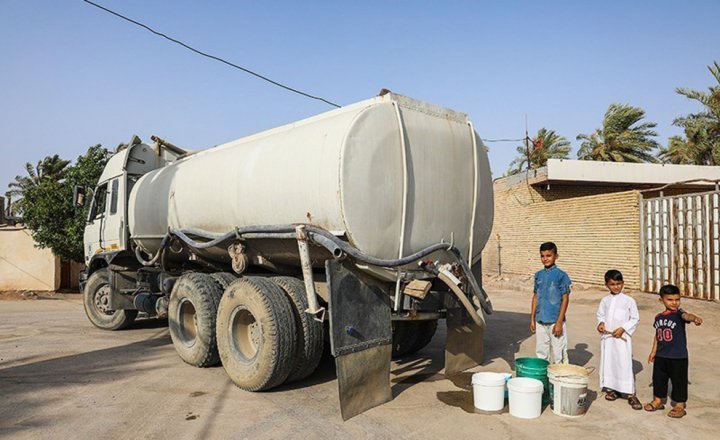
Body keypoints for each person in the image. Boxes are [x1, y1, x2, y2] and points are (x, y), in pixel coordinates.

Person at [644, 284, 703, 419]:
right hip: (661, 356)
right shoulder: (658, 317)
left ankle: (679, 405)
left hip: (678, 356)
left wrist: (694, 318)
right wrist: (653, 351)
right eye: (670, 299)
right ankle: (658, 401)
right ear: (661, 300)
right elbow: (657, 335)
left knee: (679, 381)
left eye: (677, 299)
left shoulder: (679, 314)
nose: (674, 302)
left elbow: (687, 316)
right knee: (659, 379)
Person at [596, 270, 641, 409]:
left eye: (618, 284)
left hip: (622, 339)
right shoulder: (605, 300)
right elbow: (600, 315)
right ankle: (612, 389)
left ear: (623, 283)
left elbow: (635, 318)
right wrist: (601, 324)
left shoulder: (628, 301)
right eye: (612, 284)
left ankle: (629, 393)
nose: (616, 287)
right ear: (606, 285)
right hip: (608, 338)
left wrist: (623, 328)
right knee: (609, 363)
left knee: (624, 363)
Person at [530, 242, 571, 364]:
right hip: (540, 321)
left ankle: (558, 381)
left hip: (555, 321)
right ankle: (545, 380)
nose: (545, 259)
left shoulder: (561, 275)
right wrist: (532, 318)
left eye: (548, 255)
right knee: (541, 352)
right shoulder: (539, 275)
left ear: (556, 256)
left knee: (558, 354)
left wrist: (559, 322)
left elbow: (565, 299)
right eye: (542, 256)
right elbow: (535, 296)